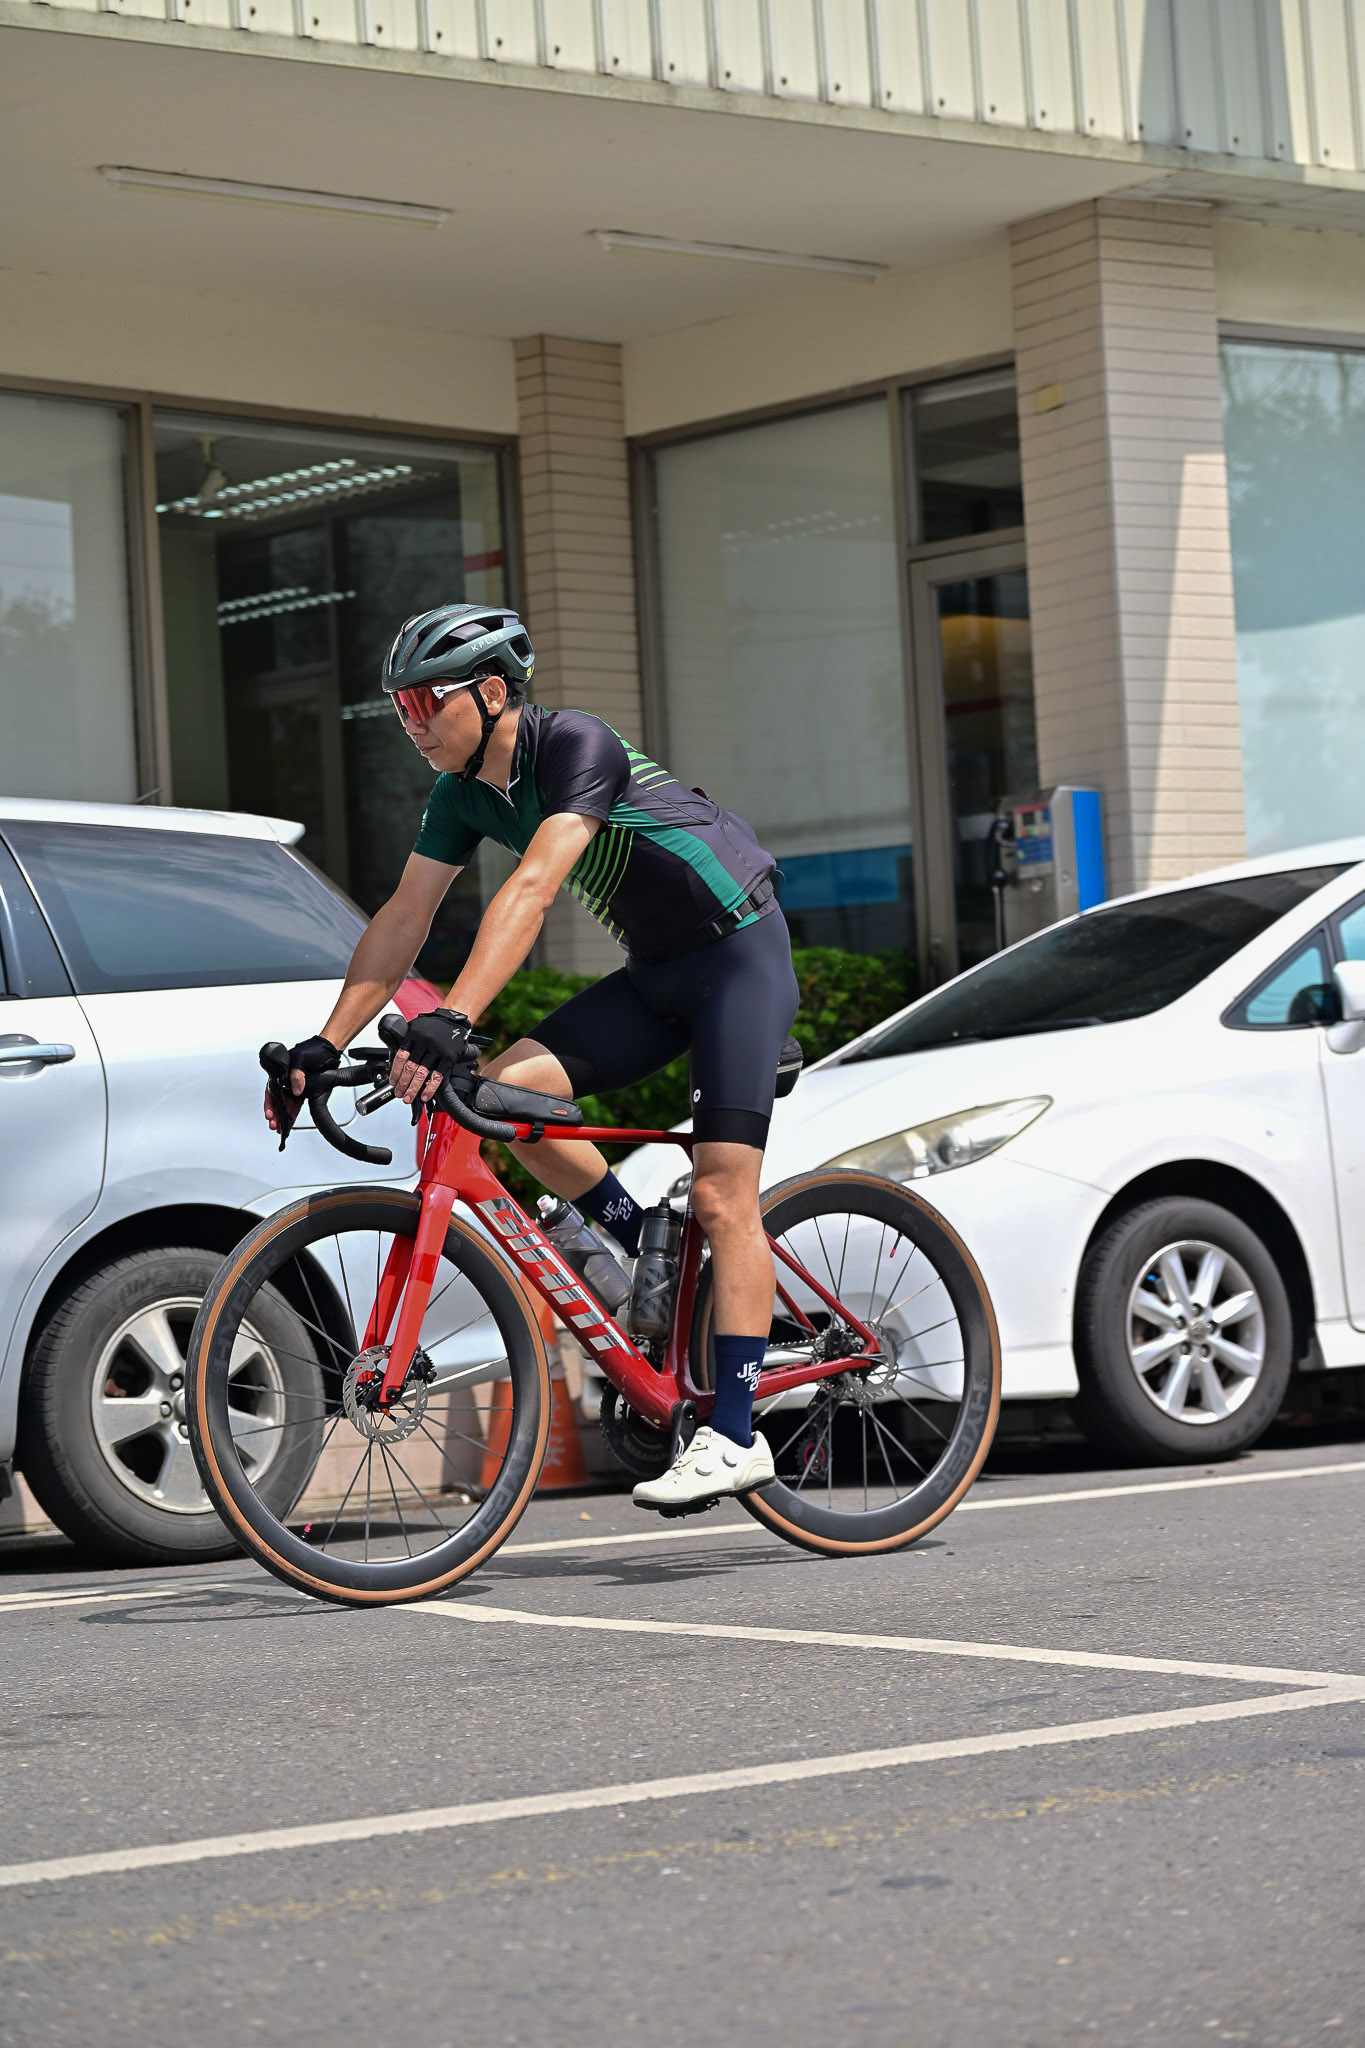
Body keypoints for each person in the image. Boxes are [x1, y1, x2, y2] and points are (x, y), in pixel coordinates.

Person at [264, 602, 799, 1511]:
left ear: (491, 692)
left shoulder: (576, 746)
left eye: (425, 702)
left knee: (720, 1195)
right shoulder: (460, 794)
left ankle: (737, 1435)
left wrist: (454, 1016)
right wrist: (326, 1040)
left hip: (739, 956)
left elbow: (535, 885)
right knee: (502, 1095)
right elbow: (404, 916)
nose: (411, 724)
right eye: (399, 707)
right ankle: (643, 1252)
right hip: (656, 972)